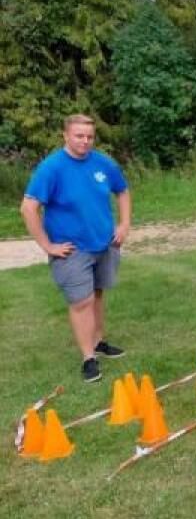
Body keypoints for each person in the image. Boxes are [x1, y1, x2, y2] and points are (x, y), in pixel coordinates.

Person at [20, 114, 131, 383]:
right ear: (66, 136)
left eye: (89, 136)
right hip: (72, 249)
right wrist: (47, 245)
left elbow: (122, 190)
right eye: (79, 136)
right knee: (81, 302)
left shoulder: (103, 163)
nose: (85, 141)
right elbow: (28, 208)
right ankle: (88, 358)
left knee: (97, 294)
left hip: (104, 242)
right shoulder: (51, 168)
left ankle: (99, 342)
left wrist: (124, 224)